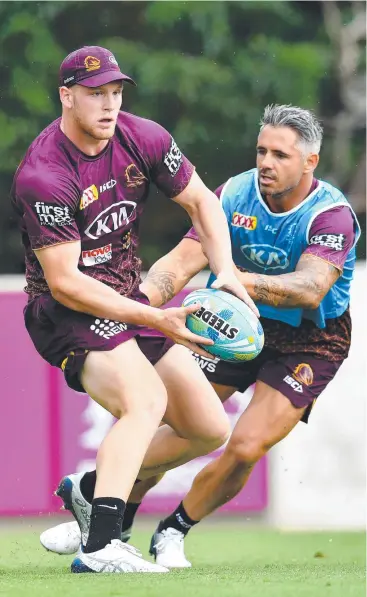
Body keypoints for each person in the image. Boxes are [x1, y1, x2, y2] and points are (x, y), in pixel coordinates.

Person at [39, 104, 360, 568]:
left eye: (281, 155)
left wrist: (231, 276)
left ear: (310, 162)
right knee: (182, 424)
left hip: (310, 338)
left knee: (247, 446)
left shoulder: (331, 215)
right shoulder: (233, 194)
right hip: (229, 325)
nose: (266, 163)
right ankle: (109, 521)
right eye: (261, 151)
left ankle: (172, 528)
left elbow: (310, 290)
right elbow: (180, 261)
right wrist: (137, 308)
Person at [12, 45, 256, 574]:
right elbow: (66, 282)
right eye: (96, 94)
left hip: (127, 299)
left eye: (116, 92)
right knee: (144, 399)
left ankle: (94, 488)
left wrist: (227, 272)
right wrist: (156, 316)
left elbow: (203, 203)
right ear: (66, 95)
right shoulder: (44, 174)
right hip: (66, 312)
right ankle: (100, 546)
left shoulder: (142, 136)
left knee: (208, 426)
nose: (108, 104)